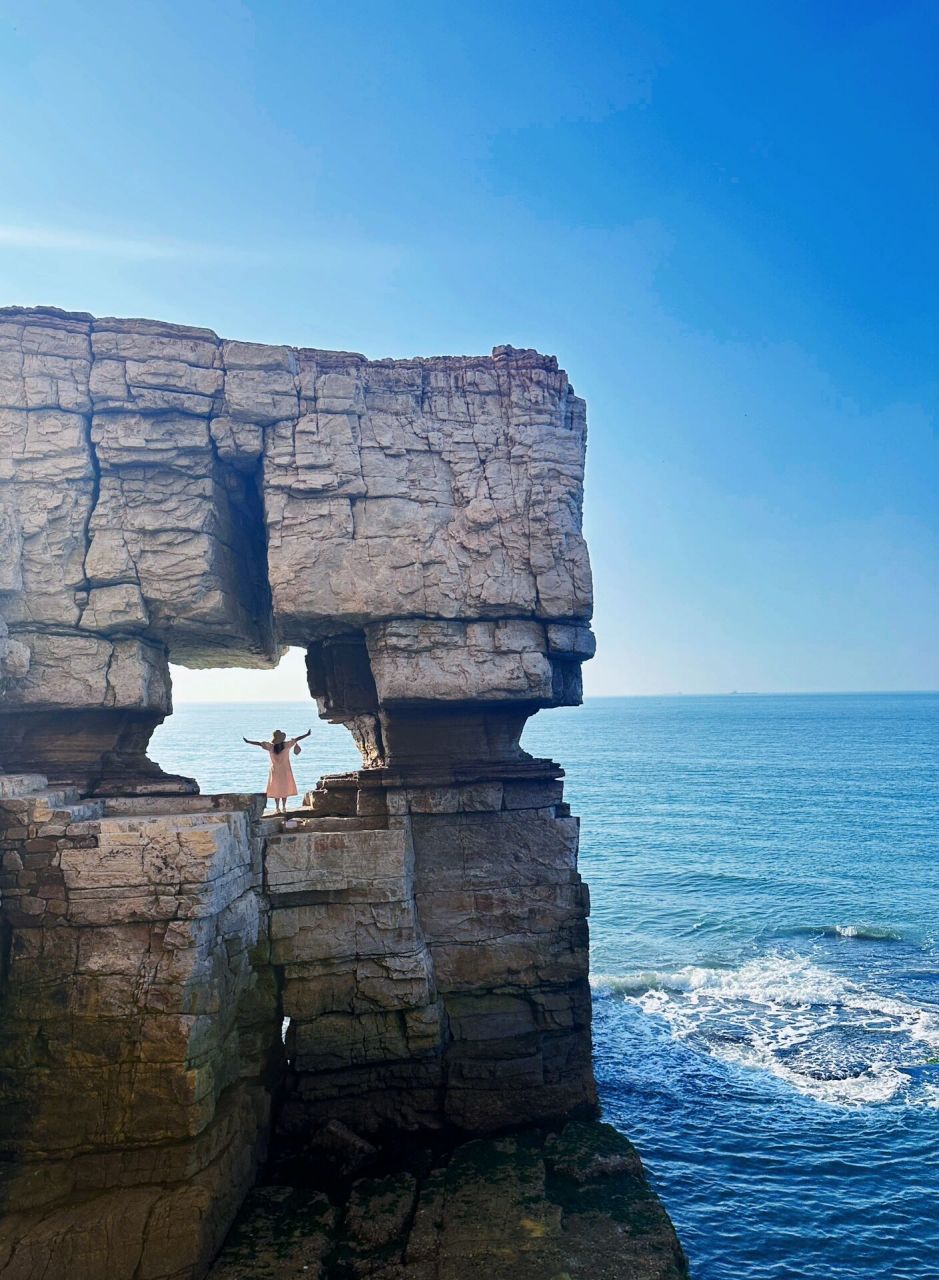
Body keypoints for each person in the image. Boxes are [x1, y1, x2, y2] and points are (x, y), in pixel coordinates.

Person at [242, 728, 312, 814]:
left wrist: (248, 741)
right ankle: (284, 807)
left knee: (276, 788)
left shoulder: (270, 746)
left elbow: (258, 743)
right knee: (285, 788)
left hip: (274, 771)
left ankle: (277, 808)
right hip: (285, 770)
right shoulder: (287, 745)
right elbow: (297, 738)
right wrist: (307, 734)